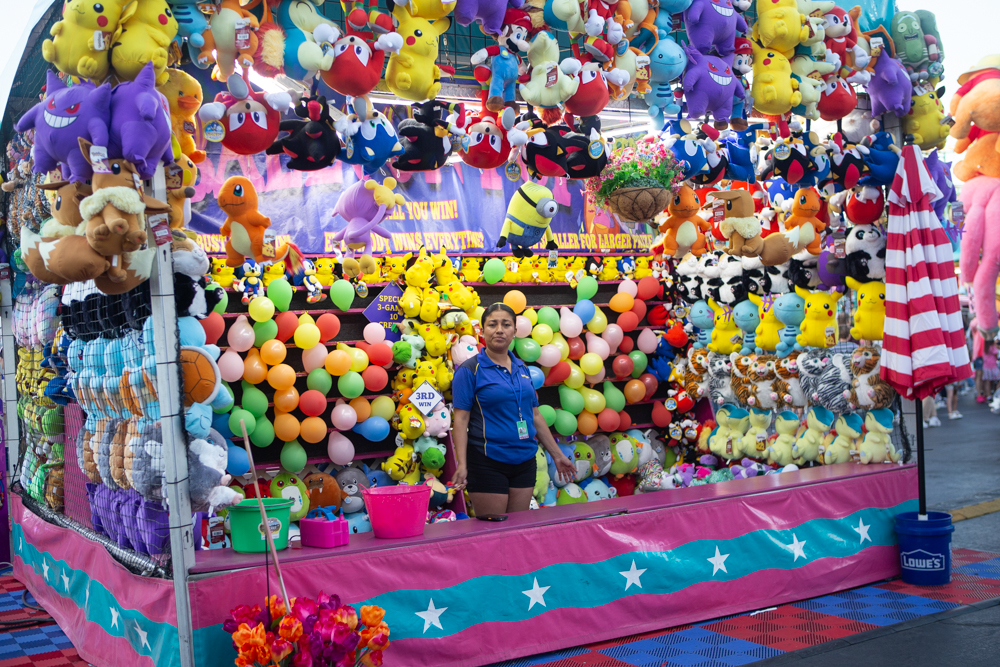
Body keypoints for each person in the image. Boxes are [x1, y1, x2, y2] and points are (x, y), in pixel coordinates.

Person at [451, 303, 575, 515]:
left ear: (514, 332)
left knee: (517, 530)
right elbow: (460, 421)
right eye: (492, 324)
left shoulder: (522, 368)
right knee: (492, 532)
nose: (499, 329)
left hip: (525, 460)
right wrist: (462, 464)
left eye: (506, 324)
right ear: (482, 331)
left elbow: (535, 415)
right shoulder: (469, 370)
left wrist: (556, 455)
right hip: (487, 460)